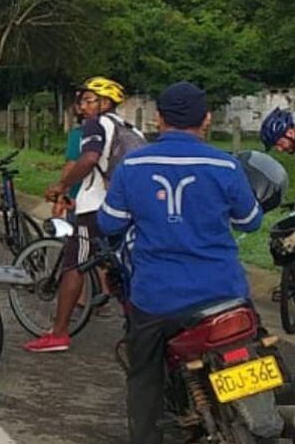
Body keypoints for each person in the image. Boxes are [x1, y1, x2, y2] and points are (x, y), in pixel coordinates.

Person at [98, 81, 265, 444]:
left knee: (144, 376)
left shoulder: (134, 164)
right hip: (224, 292)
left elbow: (109, 222)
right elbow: (251, 221)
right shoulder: (225, 165)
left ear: (159, 119)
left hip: (156, 297)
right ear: (206, 119)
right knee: (257, 342)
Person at [27, 76, 136, 352]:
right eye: (83, 101)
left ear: (105, 103)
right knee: (122, 268)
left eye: (89, 101)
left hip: (95, 209)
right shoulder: (131, 129)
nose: (84, 106)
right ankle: (138, 327)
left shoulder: (95, 124)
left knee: (74, 263)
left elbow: (88, 159)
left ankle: (59, 333)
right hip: (127, 208)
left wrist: (62, 186)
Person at [52, 96, 85, 220]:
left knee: (76, 237)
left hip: (79, 200)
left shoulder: (78, 135)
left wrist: (60, 196)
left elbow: (71, 166)